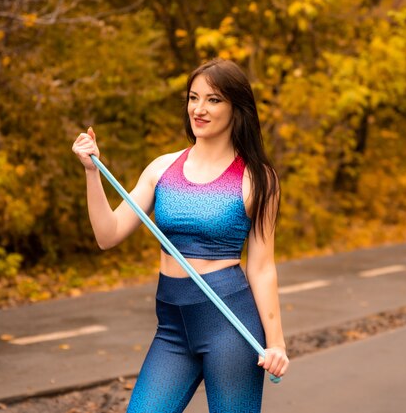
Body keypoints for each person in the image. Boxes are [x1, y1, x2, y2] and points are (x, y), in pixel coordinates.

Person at [72, 58, 289, 413]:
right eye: (193, 97)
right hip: (171, 328)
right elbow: (107, 235)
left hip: (229, 326)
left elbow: (262, 268)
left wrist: (276, 342)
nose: (199, 109)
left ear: (237, 108)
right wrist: (92, 172)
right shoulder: (162, 168)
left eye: (214, 100)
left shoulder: (257, 179)